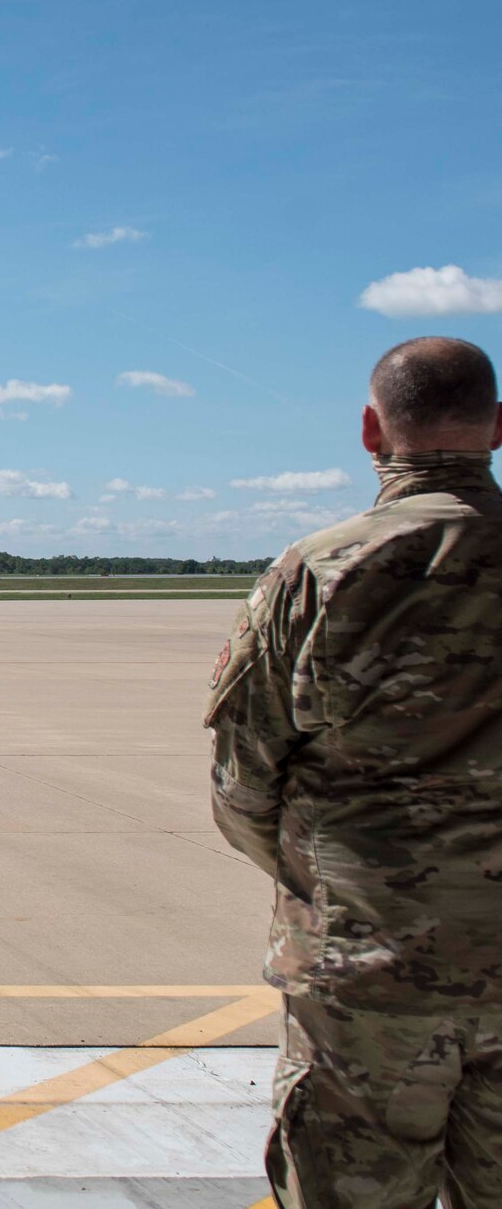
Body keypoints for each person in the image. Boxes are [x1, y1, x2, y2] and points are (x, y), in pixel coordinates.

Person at [209, 336, 502, 1208]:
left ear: (371, 431)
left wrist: (333, 886)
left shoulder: (316, 573)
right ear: (498, 428)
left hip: (366, 975)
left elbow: (242, 785)